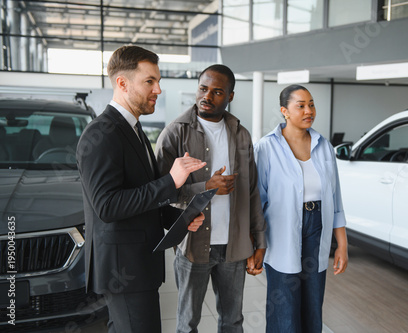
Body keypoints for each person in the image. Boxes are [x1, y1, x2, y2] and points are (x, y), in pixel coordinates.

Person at [76, 45, 207, 333]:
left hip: (138, 267)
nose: (158, 89)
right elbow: (108, 207)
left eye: (158, 81)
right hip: (124, 271)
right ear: (122, 83)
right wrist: (171, 181)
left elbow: (140, 198)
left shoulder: (133, 129)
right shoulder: (100, 135)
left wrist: (180, 220)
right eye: (150, 81)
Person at [155, 64, 267, 333]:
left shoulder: (241, 135)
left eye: (217, 92)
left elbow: (252, 191)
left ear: (230, 96)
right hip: (192, 245)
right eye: (203, 89)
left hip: (234, 246)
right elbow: (159, 192)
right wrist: (206, 186)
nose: (207, 96)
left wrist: (259, 240)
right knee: (188, 323)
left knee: (232, 321)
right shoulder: (175, 132)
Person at [254, 84, 348, 333]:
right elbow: (258, 202)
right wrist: (257, 245)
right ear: (284, 111)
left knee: (313, 303)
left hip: (318, 228)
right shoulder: (266, 148)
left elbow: (335, 198)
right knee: (283, 304)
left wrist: (342, 245)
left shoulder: (324, 146)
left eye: (312, 104)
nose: (309, 110)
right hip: (281, 230)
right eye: (301, 106)